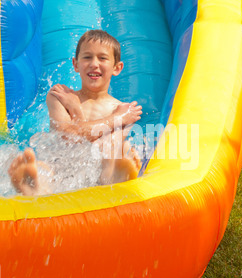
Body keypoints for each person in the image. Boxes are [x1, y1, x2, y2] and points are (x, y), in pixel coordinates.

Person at [8, 30, 143, 196]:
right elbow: (65, 136)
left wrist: (75, 111)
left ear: (117, 68)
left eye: (102, 58)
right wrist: (114, 118)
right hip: (61, 165)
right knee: (45, 167)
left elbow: (102, 147)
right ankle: (34, 185)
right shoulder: (59, 95)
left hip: (97, 173)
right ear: (75, 64)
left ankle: (117, 175)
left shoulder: (124, 109)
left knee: (111, 155)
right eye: (87, 57)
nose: (94, 63)